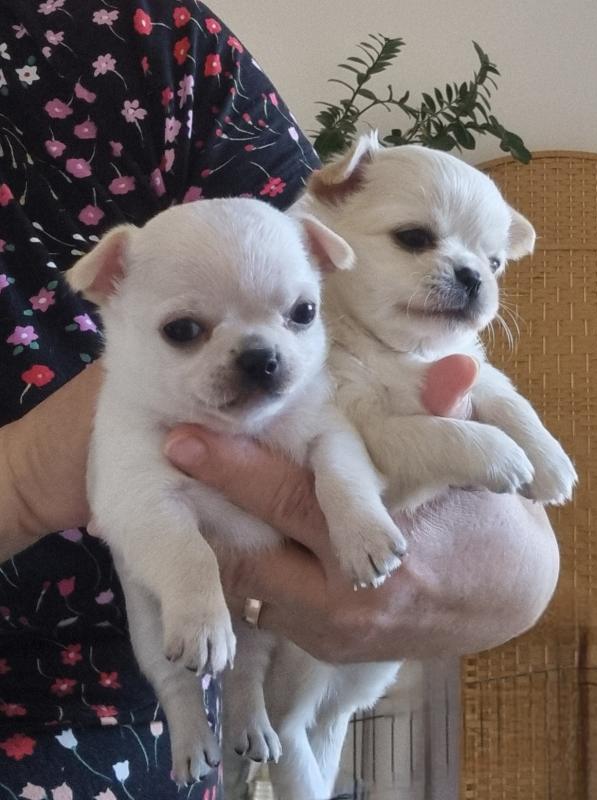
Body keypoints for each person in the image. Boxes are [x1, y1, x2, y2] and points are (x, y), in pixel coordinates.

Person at [0, 0, 559, 795]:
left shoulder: (137, 45)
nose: (263, 356)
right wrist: (25, 479)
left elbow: (512, 565)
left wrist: (494, 562)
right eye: (186, 329)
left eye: (299, 314)